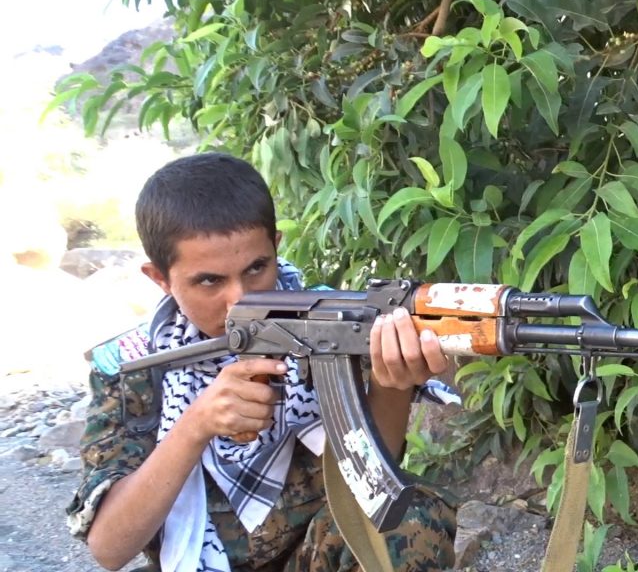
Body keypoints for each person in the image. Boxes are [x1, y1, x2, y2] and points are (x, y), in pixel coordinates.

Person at [66, 152, 458, 572]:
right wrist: (196, 425)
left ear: (275, 247)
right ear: (159, 278)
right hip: (195, 562)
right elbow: (109, 548)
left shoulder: (331, 320)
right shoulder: (133, 365)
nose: (239, 298)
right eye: (209, 280)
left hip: (318, 554)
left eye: (256, 268)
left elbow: (372, 480)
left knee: (406, 517)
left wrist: (393, 383)